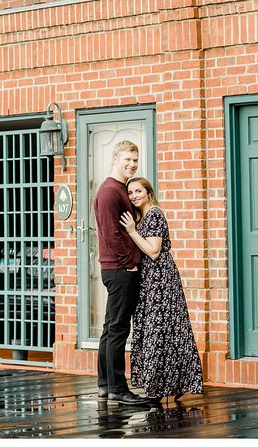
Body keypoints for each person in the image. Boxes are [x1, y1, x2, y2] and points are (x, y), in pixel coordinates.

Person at [119, 177, 204, 405]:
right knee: (157, 331)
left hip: (161, 280)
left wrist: (132, 231)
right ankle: (161, 385)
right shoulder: (142, 216)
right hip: (149, 280)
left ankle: (160, 389)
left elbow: (154, 251)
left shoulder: (155, 214)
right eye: (130, 192)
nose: (134, 195)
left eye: (138, 191)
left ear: (148, 192)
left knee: (163, 330)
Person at [93, 139, 149, 406]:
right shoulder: (109, 192)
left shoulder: (120, 189)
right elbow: (111, 233)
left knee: (109, 327)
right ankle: (118, 387)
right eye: (127, 159)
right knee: (118, 329)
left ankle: (105, 384)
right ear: (115, 158)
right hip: (119, 269)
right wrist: (129, 262)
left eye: (135, 160)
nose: (131, 164)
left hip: (118, 268)